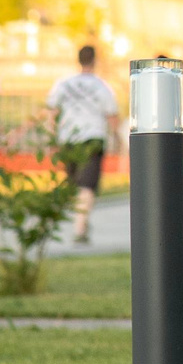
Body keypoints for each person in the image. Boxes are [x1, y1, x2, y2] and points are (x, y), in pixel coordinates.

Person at [45, 44, 123, 244]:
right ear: (95, 60)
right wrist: (119, 139)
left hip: (68, 138)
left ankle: (80, 225)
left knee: (75, 184)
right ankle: (81, 224)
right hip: (92, 138)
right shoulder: (102, 86)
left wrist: (51, 139)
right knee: (86, 185)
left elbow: (51, 114)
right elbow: (112, 117)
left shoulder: (63, 84)